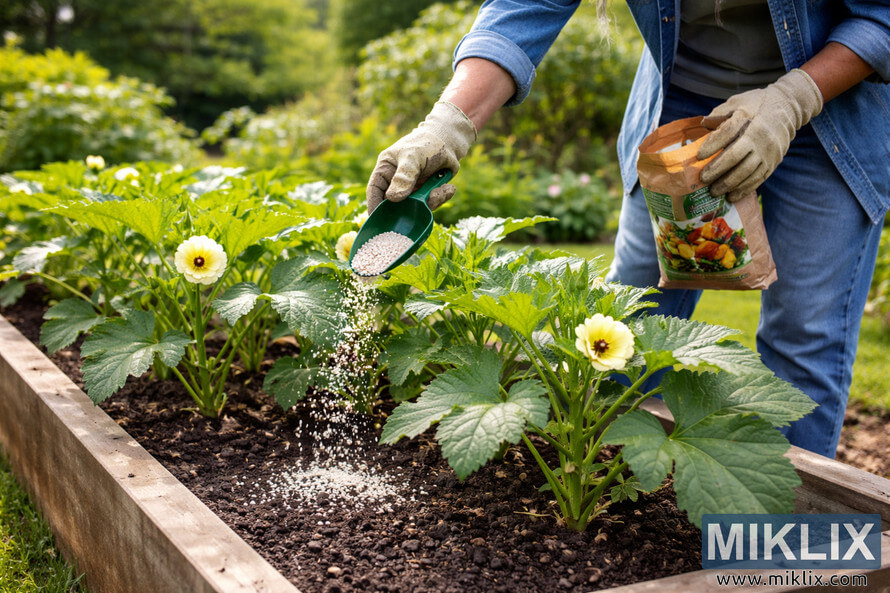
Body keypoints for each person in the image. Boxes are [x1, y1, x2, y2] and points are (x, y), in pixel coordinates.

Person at [366, 1, 890, 459]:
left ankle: (789, 545)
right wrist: (447, 123)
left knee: (806, 332)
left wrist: (794, 98)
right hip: (679, 111)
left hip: (831, 112)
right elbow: (527, 5)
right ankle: (617, 487)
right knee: (630, 317)